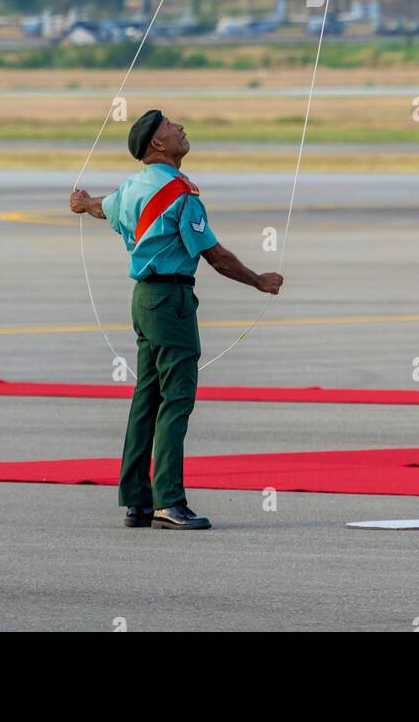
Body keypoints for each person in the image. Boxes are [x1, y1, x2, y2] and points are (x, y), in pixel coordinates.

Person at [69, 108, 284, 530]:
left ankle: (138, 501)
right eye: (171, 127)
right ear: (158, 145)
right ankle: (169, 499)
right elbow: (216, 256)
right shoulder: (182, 195)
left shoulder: (131, 189)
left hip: (143, 300)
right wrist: (259, 281)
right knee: (177, 399)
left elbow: (101, 207)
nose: (181, 128)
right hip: (171, 301)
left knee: (145, 399)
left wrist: (81, 203)